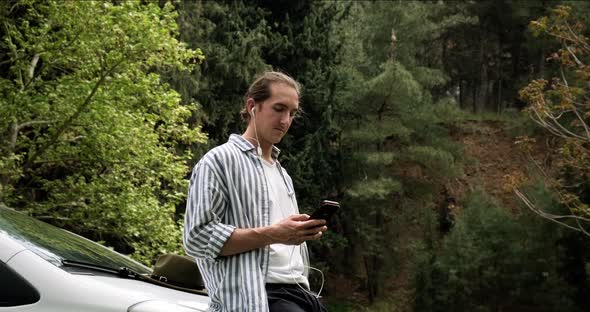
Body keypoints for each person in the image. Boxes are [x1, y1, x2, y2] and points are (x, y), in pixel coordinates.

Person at [183, 71, 329, 312]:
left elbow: (281, 240)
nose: (286, 121)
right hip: (258, 296)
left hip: (301, 292)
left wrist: (299, 233)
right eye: (279, 109)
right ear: (252, 106)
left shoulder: (283, 174)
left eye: (292, 113)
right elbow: (196, 238)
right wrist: (274, 233)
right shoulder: (219, 161)